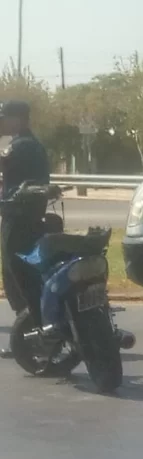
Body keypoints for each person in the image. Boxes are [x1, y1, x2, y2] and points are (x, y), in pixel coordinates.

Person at [0, 100, 50, 359]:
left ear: (18, 118)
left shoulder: (22, 146)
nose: (2, 122)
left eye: (4, 117)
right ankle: (29, 333)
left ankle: (31, 334)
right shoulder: (26, 144)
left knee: (18, 277)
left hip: (19, 221)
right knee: (18, 276)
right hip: (23, 219)